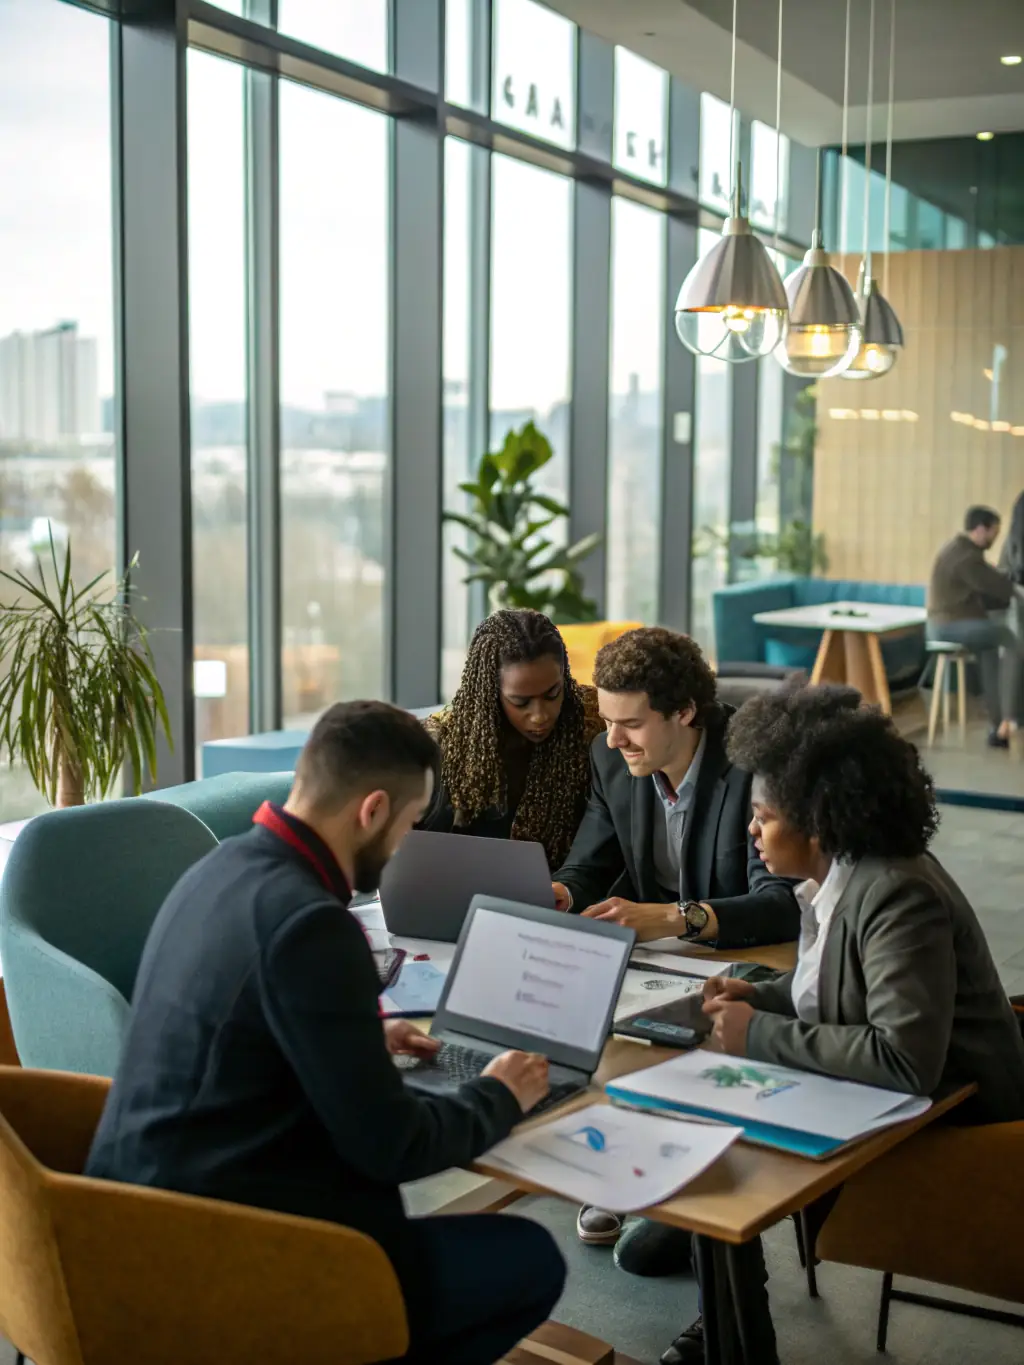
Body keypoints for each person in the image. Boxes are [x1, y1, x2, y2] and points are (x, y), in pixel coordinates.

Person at [86, 700, 565, 1365]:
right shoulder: (313, 923)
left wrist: (355, 1043)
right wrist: (499, 1093)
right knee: (530, 1259)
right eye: (407, 824)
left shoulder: (218, 870)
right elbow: (391, 1147)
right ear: (371, 810)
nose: (403, 846)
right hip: (219, 1260)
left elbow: (243, 1030)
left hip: (123, 1225)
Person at [658, 683, 1024, 1365]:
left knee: (715, 1137)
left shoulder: (897, 893)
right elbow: (835, 993)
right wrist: (760, 994)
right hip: (904, 1096)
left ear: (818, 821)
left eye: (763, 816)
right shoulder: (842, 876)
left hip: (957, 1125)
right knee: (702, 1124)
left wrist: (754, 1033)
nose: (750, 829)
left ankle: (735, 1333)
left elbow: (903, 1059)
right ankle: (719, 1301)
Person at [550, 627, 800, 1260]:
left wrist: (674, 918)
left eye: (629, 723)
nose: (612, 739)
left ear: (685, 711)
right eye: (607, 721)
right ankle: (636, 1161)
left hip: (745, 962)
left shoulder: (755, 763)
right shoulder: (610, 760)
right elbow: (588, 867)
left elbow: (780, 904)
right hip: (659, 959)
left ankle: (688, 1180)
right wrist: (559, 893)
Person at [422, 608, 604, 868]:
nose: (540, 716)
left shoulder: (598, 719)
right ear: (491, 693)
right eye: (520, 702)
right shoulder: (445, 740)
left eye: (553, 694)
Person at [927, 504, 1021, 747]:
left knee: (989, 651)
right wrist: (1016, 590)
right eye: (994, 534)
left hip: (946, 624)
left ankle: (998, 728)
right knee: (1009, 637)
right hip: (952, 626)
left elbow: (988, 580)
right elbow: (999, 587)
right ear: (980, 529)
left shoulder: (957, 549)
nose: (994, 539)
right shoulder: (966, 558)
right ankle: (1011, 716)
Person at [998, 488, 1024, 726]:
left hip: (1015, 595)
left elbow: (1002, 570)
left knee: (1014, 653)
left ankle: (1011, 716)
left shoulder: (1012, 539)